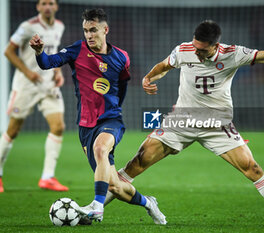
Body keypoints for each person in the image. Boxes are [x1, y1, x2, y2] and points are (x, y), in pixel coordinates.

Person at [116, 19, 264, 226]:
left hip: (217, 124)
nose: (196, 52)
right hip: (181, 121)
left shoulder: (233, 54)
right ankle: (95, 208)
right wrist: (149, 78)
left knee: (253, 169)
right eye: (195, 46)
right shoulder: (184, 50)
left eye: (202, 50)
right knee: (138, 161)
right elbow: (164, 65)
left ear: (215, 46)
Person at [29, 8, 167, 224]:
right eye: (86, 30)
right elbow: (48, 63)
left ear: (105, 30)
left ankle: (97, 205)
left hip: (111, 120)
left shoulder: (122, 57)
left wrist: (113, 110)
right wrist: (39, 52)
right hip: (85, 126)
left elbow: (122, 87)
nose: (89, 35)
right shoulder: (77, 50)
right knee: (115, 185)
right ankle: (149, 203)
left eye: (93, 30)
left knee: (101, 148)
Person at [0, 0, 68, 193]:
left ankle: (47, 177)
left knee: (58, 126)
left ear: (56, 7)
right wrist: (27, 71)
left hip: (48, 85)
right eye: (44, 3)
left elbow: (53, 52)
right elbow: (8, 51)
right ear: (38, 7)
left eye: (51, 3)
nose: (48, 6)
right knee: (13, 130)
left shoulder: (60, 26)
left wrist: (57, 72)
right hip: (26, 85)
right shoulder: (27, 27)